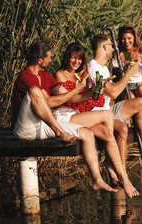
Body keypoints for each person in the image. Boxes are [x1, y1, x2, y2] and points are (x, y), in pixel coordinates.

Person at [12, 41, 116, 193]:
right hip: (25, 127)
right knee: (36, 91)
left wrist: (93, 90)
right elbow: (48, 102)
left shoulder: (45, 76)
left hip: (44, 125)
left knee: (87, 133)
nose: (51, 59)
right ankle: (60, 132)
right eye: (48, 57)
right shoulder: (26, 77)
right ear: (39, 60)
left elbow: (66, 98)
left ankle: (97, 180)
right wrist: (75, 90)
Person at [53, 42, 139, 198]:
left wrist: (98, 89)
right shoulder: (60, 74)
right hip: (65, 116)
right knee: (107, 115)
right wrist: (88, 91)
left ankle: (121, 174)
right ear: (67, 57)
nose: (76, 62)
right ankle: (118, 172)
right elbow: (70, 99)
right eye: (73, 58)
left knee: (107, 133)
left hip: (80, 116)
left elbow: (93, 102)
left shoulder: (82, 75)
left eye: (79, 59)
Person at [87, 34, 142, 176]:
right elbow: (113, 94)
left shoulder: (103, 68)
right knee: (122, 128)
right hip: (96, 115)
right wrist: (128, 74)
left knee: (141, 104)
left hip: (107, 111)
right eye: (111, 46)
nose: (114, 49)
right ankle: (118, 171)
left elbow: (111, 92)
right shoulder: (94, 69)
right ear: (105, 47)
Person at [115, 25, 142, 102]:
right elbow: (116, 78)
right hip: (125, 85)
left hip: (141, 84)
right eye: (123, 39)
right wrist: (126, 68)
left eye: (129, 38)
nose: (126, 42)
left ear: (134, 38)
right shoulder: (119, 53)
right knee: (130, 97)